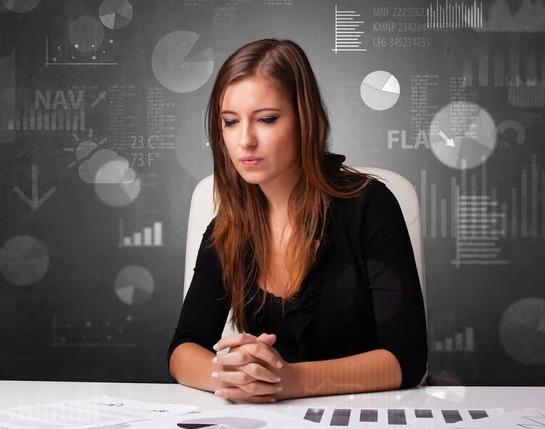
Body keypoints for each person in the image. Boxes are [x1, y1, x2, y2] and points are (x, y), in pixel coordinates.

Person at [167, 38, 428, 403]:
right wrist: (234, 377)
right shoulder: (227, 228)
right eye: (229, 122)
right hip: (270, 427)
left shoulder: (371, 206)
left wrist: (288, 380)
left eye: (267, 119)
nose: (245, 140)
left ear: (305, 120)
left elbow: (407, 358)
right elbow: (183, 349)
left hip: (367, 420)